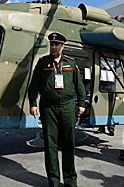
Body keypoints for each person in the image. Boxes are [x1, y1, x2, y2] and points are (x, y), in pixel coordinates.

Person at [28, 32, 86, 187]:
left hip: (67, 107)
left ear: (62, 46)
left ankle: (70, 181)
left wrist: (81, 103)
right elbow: (33, 85)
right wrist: (33, 103)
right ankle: (53, 182)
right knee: (50, 145)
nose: (53, 47)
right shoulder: (42, 63)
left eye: (57, 44)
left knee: (68, 144)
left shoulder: (71, 63)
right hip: (48, 108)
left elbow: (79, 85)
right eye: (51, 44)